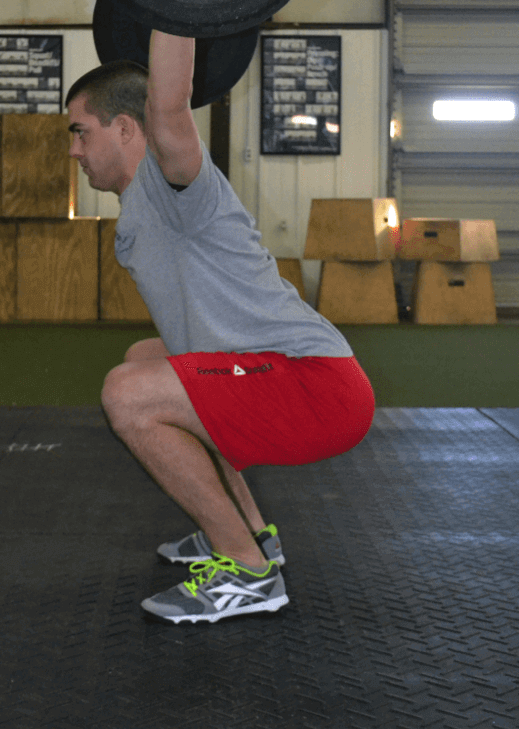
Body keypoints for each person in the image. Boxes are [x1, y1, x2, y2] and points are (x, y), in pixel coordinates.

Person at [65, 34, 375, 623]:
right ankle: (254, 537)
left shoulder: (175, 184)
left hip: (318, 387)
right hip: (281, 372)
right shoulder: (140, 205)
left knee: (126, 394)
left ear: (127, 129)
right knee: (143, 360)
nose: (74, 151)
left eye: (82, 132)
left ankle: (248, 573)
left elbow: (171, 107)